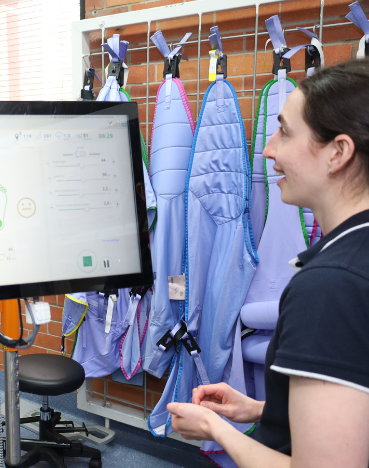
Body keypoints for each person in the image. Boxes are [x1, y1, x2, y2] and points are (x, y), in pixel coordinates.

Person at [167, 59, 369, 467]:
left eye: (285, 132)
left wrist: (216, 428)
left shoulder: (330, 287)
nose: (267, 147)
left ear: (338, 152)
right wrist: (262, 409)